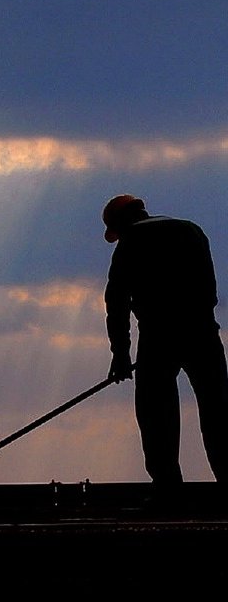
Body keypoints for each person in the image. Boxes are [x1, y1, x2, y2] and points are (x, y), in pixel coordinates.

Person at [102, 194, 228, 494]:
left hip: (158, 337)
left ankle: (169, 490)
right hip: (203, 333)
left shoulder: (130, 242)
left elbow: (116, 304)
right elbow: (210, 291)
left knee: (156, 413)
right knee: (218, 413)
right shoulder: (192, 230)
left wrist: (120, 354)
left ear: (121, 224)